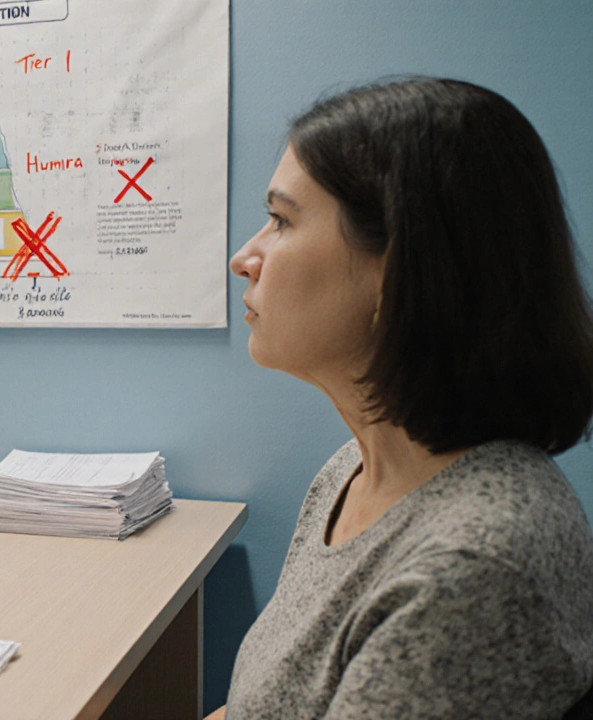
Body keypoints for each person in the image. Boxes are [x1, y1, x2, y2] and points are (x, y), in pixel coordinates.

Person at [216, 78, 593, 718]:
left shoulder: (470, 575)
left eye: (281, 220)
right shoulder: (359, 468)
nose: (245, 257)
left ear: (398, 268)